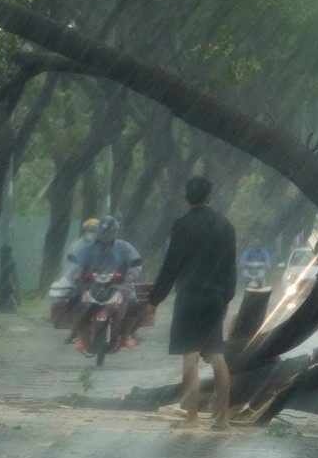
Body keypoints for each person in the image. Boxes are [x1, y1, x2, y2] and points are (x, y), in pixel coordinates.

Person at [147, 176, 238, 425]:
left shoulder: (181, 226)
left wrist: (155, 299)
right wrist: (226, 297)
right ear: (210, 196)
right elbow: (231, 267)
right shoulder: (225, 226)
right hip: (215, 297)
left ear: (187, 198)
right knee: (216, 354)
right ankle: (221, 420)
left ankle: (192, 417)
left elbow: (170, 266)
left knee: (190, 355)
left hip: (188, 296)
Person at [68, 216, 143, 348]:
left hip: (119, 284)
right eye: (102, 232)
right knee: (74, 300)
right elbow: (77, 263)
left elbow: (136, 263)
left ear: (115, 232)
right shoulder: (87, 247)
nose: (105, 235)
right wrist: (77, 273)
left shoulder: (124, 246)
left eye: (109, 232)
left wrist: (131, 275)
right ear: (98, 232)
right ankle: (81, 335)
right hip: (90, 284)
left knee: (133, 303)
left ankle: (127, 335)